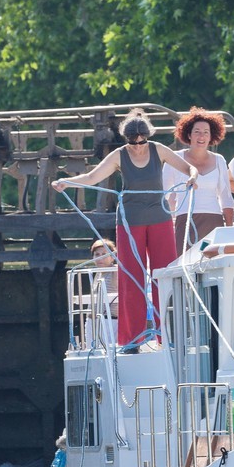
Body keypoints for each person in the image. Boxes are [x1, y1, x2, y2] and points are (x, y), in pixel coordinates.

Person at [52, 109, 196, 349]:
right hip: (130, 223)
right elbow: (92, 177)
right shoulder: (119, 155)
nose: (138, 146)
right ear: (127, 139)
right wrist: (67, 182)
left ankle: (168, 335)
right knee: (131, 279)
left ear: (148, 137)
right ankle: (132, 339)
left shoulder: (158, 149)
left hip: (159, 219)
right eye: (133, 142)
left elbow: (189, 168)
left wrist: (192, 177)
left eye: (142, 141)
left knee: (165, 275)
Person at [163, 106, 234, 252]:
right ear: (188, 134)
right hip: (184, 222)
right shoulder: (174, 158)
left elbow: (226, 198)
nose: (201, 137)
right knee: (184, 263)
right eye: (197, 132)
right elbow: (163, 195)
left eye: (206, 133)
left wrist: (229, 229)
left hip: (214, 222)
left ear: (211, 136)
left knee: (210, 261)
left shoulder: (219, 160)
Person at [90, 238, 119, 319]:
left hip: (109, 320)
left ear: (112, 257)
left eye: (104, 254)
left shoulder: (115, 270)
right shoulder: (98, 272)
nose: (100, 258)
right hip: (93, 321)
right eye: (97, 254)